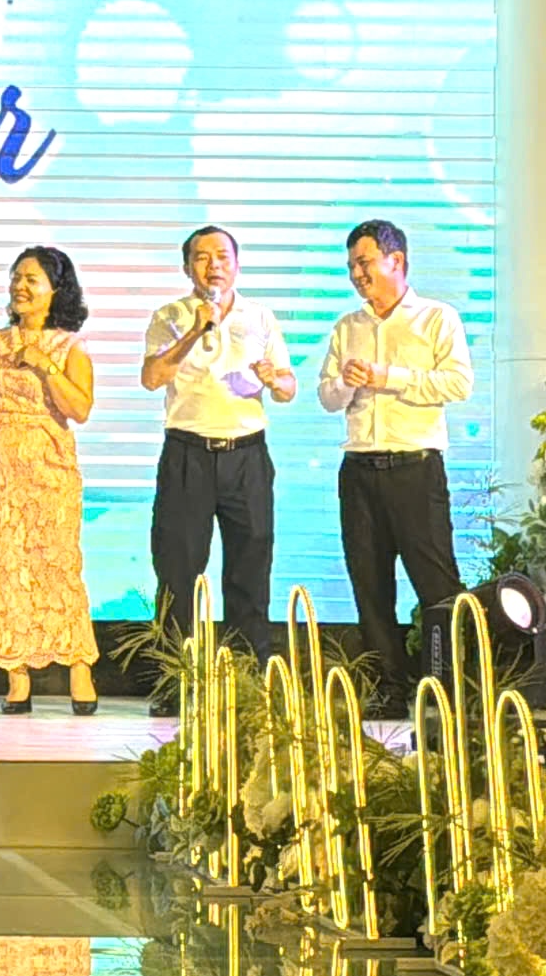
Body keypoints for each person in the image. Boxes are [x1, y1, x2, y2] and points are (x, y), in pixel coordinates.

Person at [317, 218, 472, 714]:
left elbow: (458, 383)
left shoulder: (436, 318)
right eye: (351, 266)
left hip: (415, 468)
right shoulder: (348, 327)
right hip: (359, 469)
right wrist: (347, 381)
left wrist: (389, 376)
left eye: (364, 263)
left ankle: (450, 687)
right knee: (369, 583)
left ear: (396, 260)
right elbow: (327, 397)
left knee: (436, 582)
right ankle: (389, 687)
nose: (356, 275)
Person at [141, 226, 295, 698]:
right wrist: (195, 330)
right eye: (203, 257)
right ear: (187, 267)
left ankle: (249, 683)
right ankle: (176, 681)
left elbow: (288, 387)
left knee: (250, 569)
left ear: (237, 264)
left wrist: (274, 380)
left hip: (246, 455)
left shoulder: (260, 316)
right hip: (187, 454)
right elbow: (152, 377)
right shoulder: (169, 316)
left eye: (223, 256)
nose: (214, 265)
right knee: (178, 570)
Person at [0, 245, 99, 714]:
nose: (19, 287)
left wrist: (44, 364)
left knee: (56, 563)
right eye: (16, 277)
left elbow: (79, 408)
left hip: (49, 465)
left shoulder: (70, 346)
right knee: (5, 565)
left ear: (55, 289)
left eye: (31, 279)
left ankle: (79, 667)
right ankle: (16, 674)